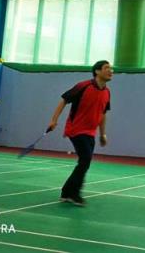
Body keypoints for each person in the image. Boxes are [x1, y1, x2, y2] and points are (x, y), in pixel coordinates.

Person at [48, 60, 113, 206]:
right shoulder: (83, 86)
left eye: (111, 68)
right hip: (76, 129)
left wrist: (102, 134)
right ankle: (74, 194)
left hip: (90, 132)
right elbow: (64, 100)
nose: (111, 71)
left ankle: (66, 193)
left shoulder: (107, 92)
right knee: (85, 160)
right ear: (97, 71)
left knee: (85, 162)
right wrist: (54, 120)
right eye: (107, 68)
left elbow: (103, 114)